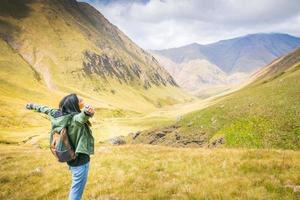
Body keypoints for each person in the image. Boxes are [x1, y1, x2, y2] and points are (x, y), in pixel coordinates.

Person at [26, 93, 95, 200]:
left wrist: (31, 105)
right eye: (80, 100)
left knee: (76, 185)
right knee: (76, 190)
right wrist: (87, 112)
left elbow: (44, 109)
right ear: (74, 105)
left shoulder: (56, 114)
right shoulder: (74, 119)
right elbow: (82, 117)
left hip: (70, 157)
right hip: (81, 160)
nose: (82, 100)